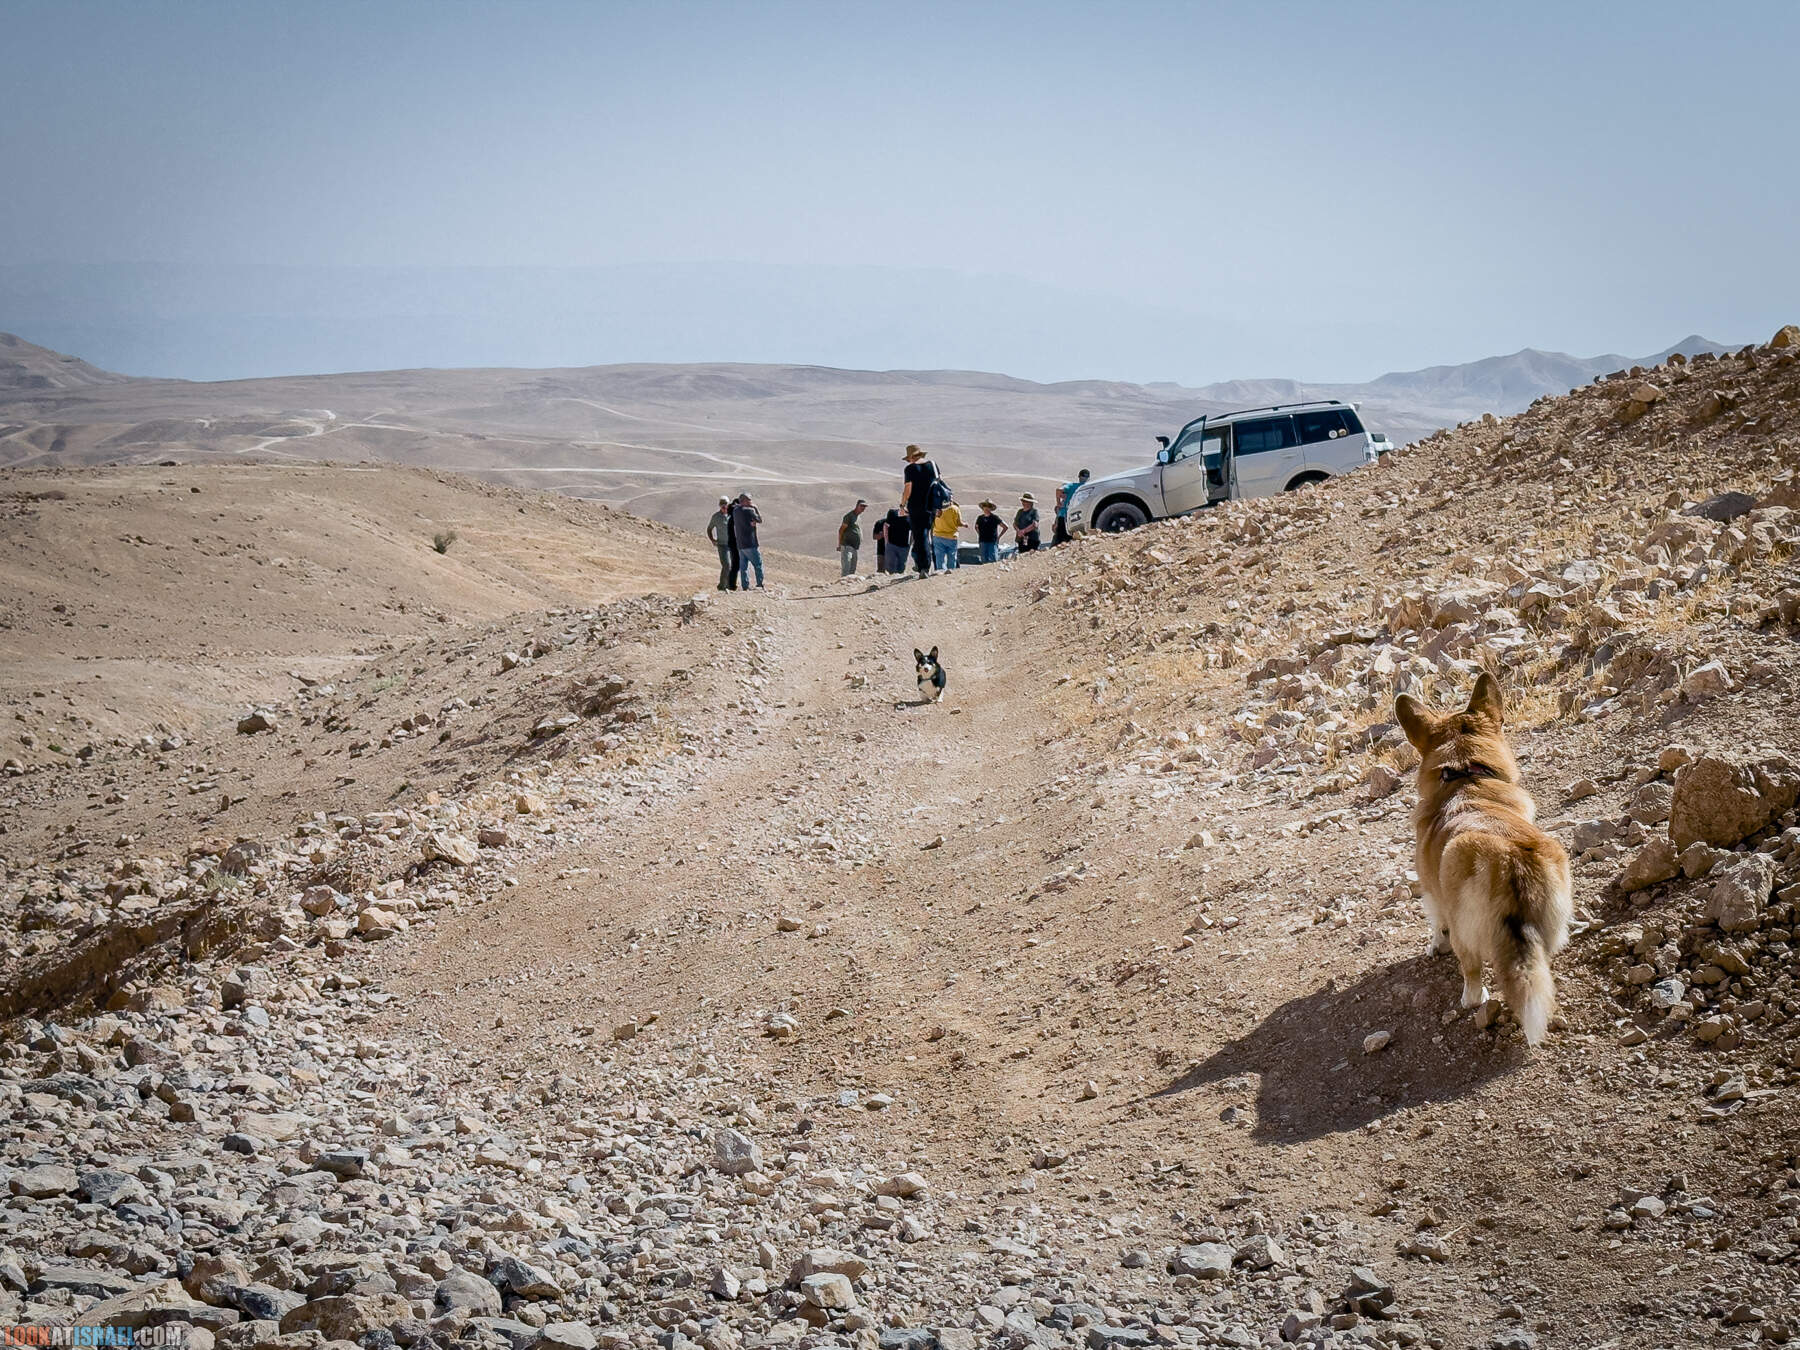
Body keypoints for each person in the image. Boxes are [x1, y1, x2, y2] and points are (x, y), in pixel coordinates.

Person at [899, 444, 940, 577]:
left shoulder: (910, 469)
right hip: (931, 506)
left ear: (911, 457)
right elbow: (938, 484)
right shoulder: (932, 465)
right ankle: (923, 564)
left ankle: (924, 567)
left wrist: (902, 504)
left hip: (916, 507)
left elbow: (908, 489)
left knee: (920, 535)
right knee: (925, 534)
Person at [732, 492, 764, 590]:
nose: (751, 501)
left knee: (743, 567)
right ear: (745, 501)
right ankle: (760, 585)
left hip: (741, 544)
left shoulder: (736, 510)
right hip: (750, 543)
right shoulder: (749, 510)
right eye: (749, 500)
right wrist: (755, 508)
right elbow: (759, 519)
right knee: (758, 564)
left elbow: (737, 507)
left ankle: (745, 586)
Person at [1052, 468, 1090, 546]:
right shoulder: (1089, 488)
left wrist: (1058, 503)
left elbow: (1058, 490)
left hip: (1064, 516)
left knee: (1059, 541)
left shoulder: (1072, 486)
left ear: (1079, 477)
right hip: (1080, 517)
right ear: (1088, 478)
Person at [930, 491, 963, 572]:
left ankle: (940, 572)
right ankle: (950, 571)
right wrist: (964, 524)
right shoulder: (955, 508)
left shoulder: (936, 508)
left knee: (939, 556)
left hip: (937, 535)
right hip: (951, 536)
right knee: (951, 555)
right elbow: (959, 522)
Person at [706, 496, 734, 591]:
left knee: (733, 565)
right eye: (722, 506)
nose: (724, 508)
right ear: (720, 506)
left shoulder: (733, 515)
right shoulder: (716, 517)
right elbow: (709, 529)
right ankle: (722, 586)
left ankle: (729, 585)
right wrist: (713, 539)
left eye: (726, 506)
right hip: (722, 545)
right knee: (727, 565)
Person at [974, 498, 1009, 563]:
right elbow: (976, 527)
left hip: (992, 542)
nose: (986, 508)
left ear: (991, 508)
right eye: (985, 506)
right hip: (982, 542)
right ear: (983, 507)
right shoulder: (980, 518)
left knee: (993, 560)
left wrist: (999, 537)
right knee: (983, 560)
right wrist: (980, 534)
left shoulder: (995, 518)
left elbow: (1005, 527)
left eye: (988, 506)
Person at [838, 498, 867, 577]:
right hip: (847, 545)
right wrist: (839, 544)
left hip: (855, 547)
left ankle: (848, 584)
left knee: (852, 568)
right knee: (846, 567)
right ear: (857, 505)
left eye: (864, 506)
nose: (863, 508)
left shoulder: (858, 517)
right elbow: (841, 530)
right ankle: (842, 584)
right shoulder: (849, 516)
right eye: (862, 506)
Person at [882, 504, 911, 574]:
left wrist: (910, 544)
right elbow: (886, 525)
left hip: (904, 547)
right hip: (892, 545)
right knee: (890, 568)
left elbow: (913, 531)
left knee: (901, 569)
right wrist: (886, 541)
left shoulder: (911, 517)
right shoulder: (892, 513)